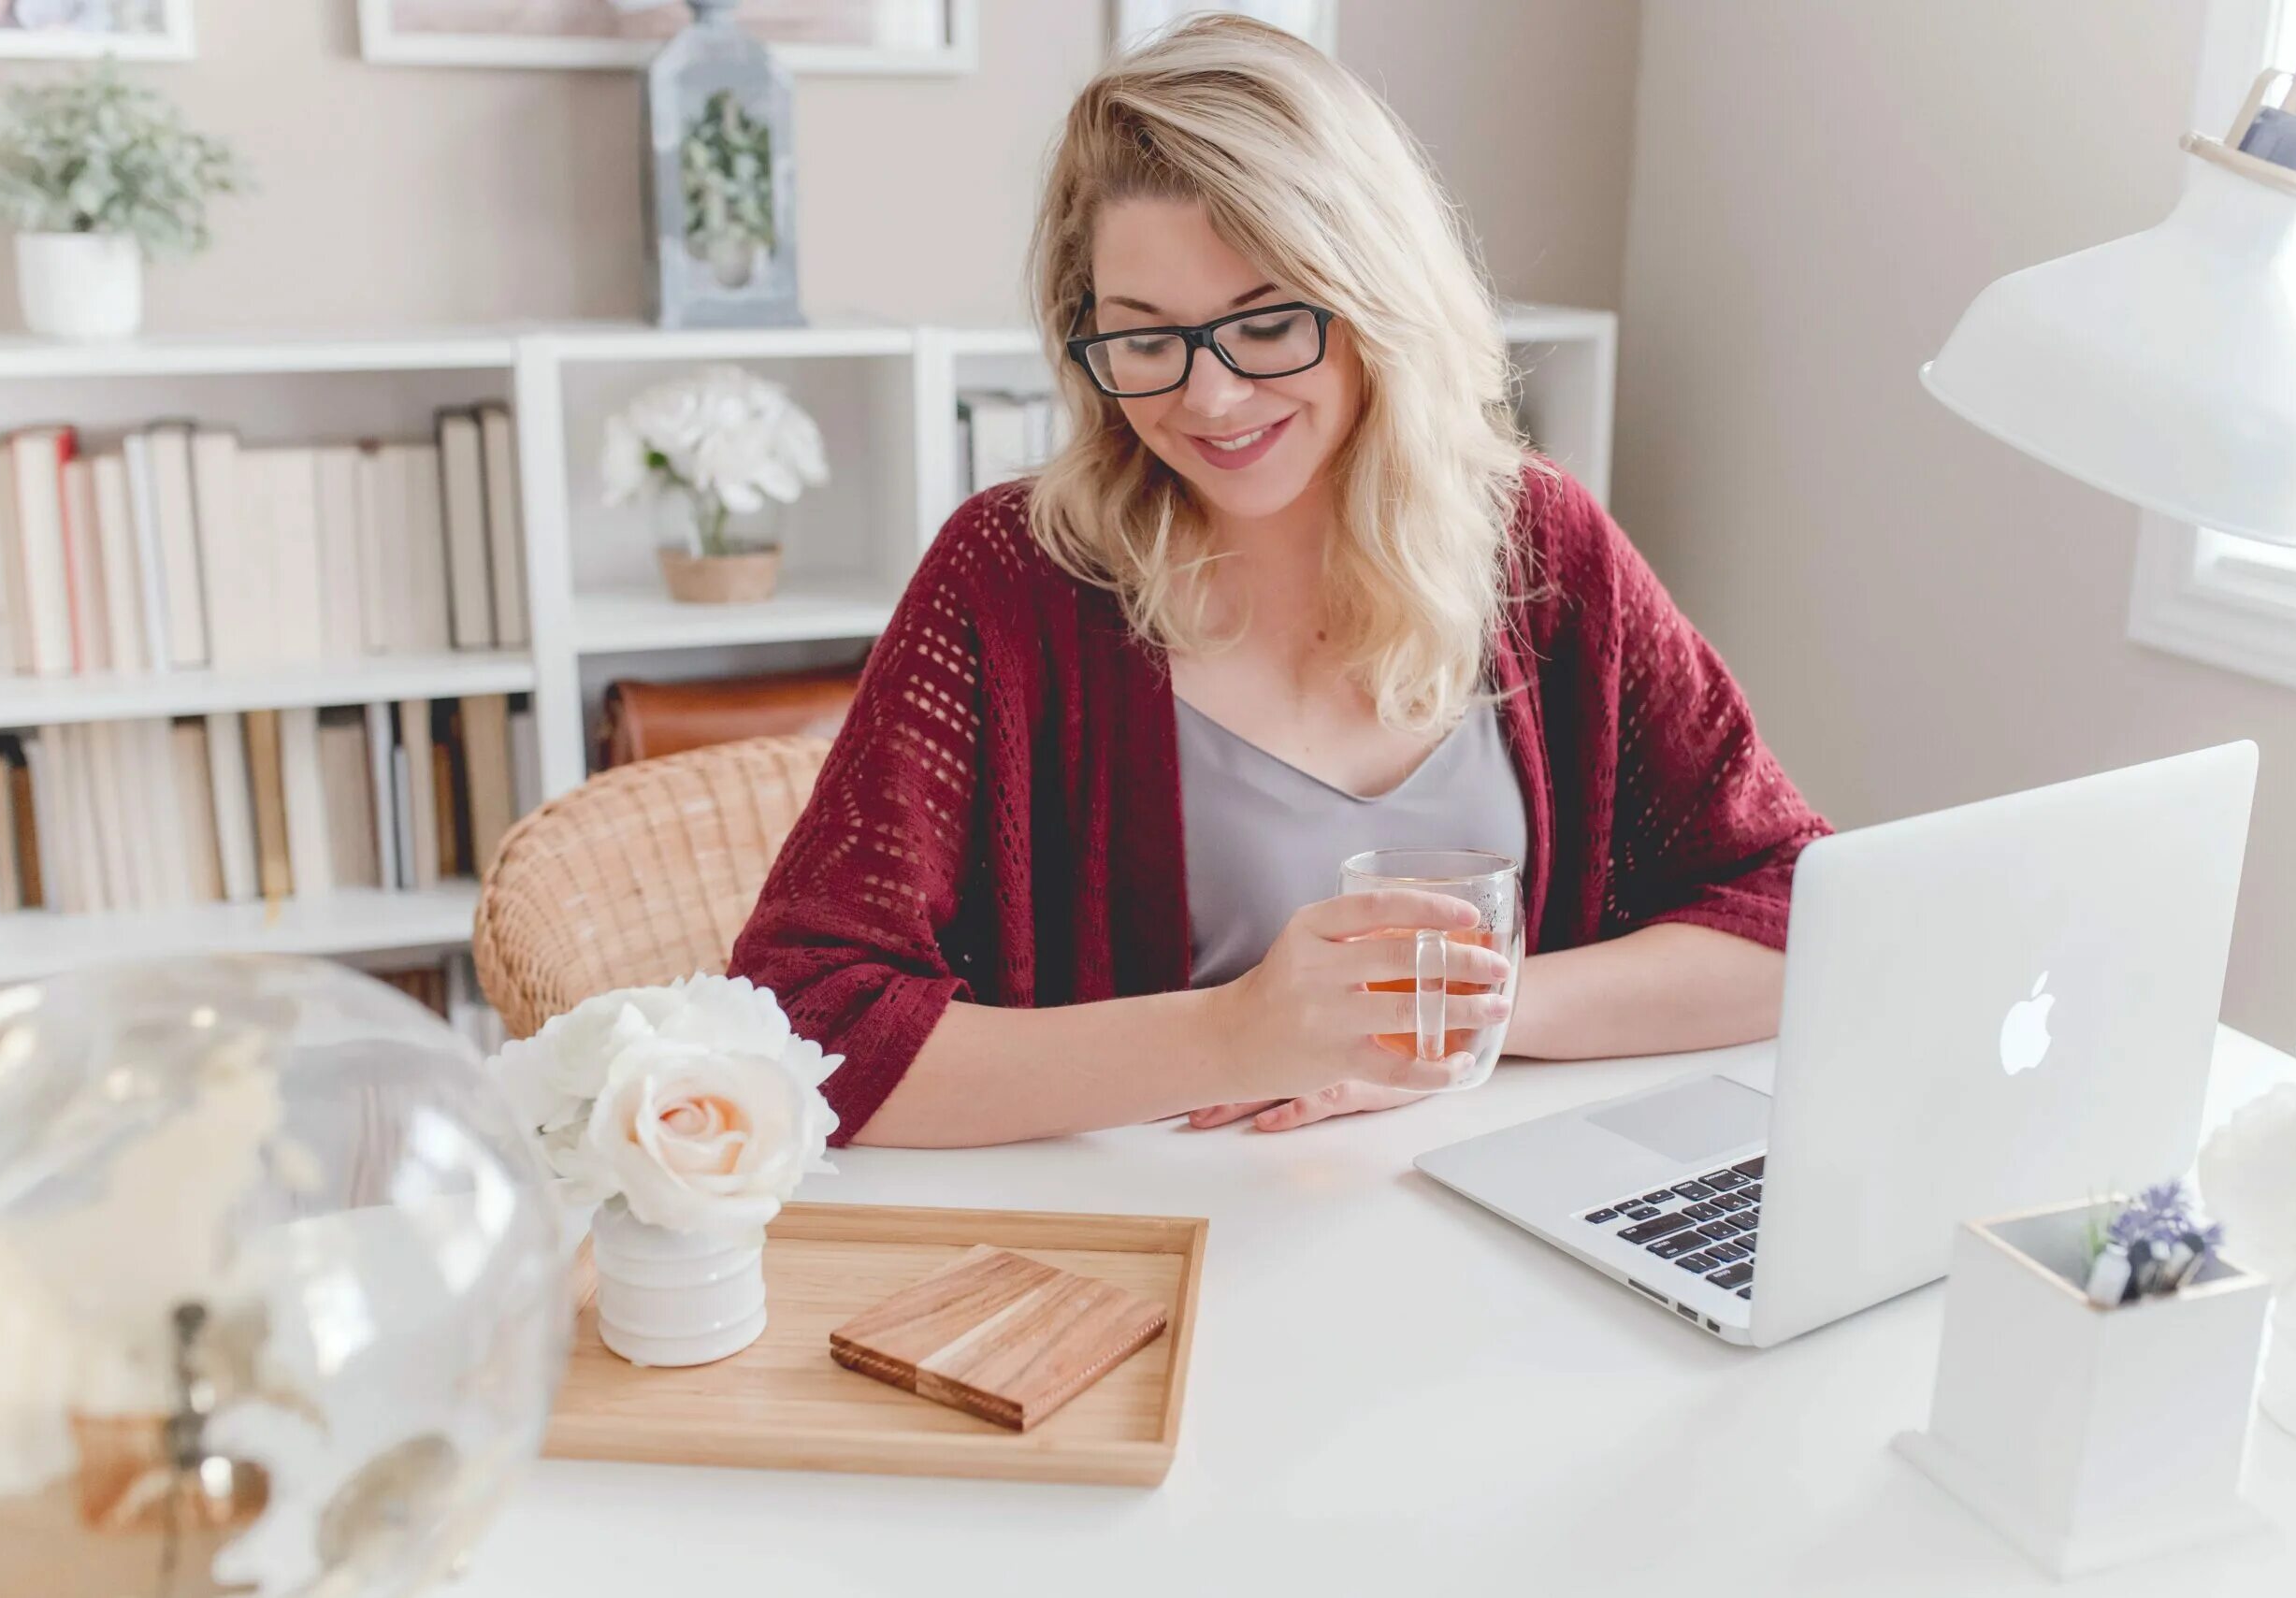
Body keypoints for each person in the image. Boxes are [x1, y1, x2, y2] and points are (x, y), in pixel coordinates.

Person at [729, 16, 1827, 1147]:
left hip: (1481, 1228)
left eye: (1265, 323)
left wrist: (1452, 1020)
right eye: (1144, 336)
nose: (1208, 399)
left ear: (1376, 302)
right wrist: (1238, 1032)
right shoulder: (1011, 581)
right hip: (1151, 1256)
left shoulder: (1538, 545)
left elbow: (1799, 911)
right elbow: (801, 1023)